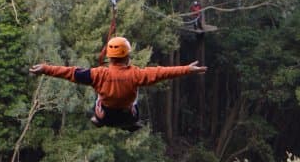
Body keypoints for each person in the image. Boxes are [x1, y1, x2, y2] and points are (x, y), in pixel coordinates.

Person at [29, 36, 208, 131]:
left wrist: (45, 68)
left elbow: (69, 73)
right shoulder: (136, 74)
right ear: (128, 56)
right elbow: (162, 72)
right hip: (127, 116)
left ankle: (97, 118)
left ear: (109, 56)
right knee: (134, 103)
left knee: (99, 98)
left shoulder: (97, 74)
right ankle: (132, 124)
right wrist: (187, 69)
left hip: (104, 115)